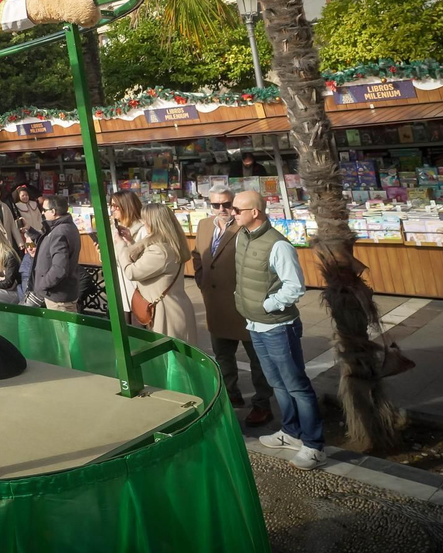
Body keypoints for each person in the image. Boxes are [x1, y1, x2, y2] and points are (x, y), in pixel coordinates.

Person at [232, 190, 324, 471]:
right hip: (255, 324)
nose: (232, 213)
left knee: (296, 385)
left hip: (278, 327)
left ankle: (314, 445)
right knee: (278, 383)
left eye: (237, 209)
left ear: (254, 212)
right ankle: (291, 431)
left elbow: (294, 286)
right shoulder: (241, 238)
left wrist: (268, 305)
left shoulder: (278, 245)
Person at [192, 186, 274, 428]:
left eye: (227, 205)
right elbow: (197, 253)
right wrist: (201, 279)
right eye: (215, 205)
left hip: (244, 303)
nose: (222, 210)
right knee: (223, 355)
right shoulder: (205, 225)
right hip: (215, 303)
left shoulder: (246, 225)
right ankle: (231, 394)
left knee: (258, 358)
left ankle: (262, 404)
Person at [120, 204, 198, 344]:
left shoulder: (159, 250)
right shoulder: (167, 244)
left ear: (153, 223)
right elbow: (147, 263)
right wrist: (131, 242)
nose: (143, 225)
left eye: (144, 221)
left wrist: (121, 247)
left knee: (170, 359)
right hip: (171, 306)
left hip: (166, 312)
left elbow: (132, 272)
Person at [32, 195, 82, 312]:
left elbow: (59, 269)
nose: (42, 213)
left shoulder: (59, 232)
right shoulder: (67, 226)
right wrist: (30, 230)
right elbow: (47, 243)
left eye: (44, 210)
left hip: (58, 298)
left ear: (53, 211)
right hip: (62, 294)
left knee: (62, 330)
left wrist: (41, 285)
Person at [16, 229, 42, 306]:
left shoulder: (45, 259)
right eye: (27, 245)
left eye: (33, 245)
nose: (30, 248)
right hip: (24, 297)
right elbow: (23, 281)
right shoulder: (26, 257)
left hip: (38, 298)